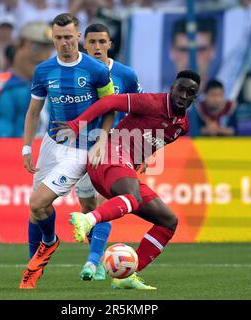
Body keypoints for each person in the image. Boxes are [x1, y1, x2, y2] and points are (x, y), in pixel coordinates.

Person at [52, 70, 201, 289]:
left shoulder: (182, 126)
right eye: (181, 89)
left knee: (168, 221)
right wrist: (77, 124)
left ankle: (127, 276)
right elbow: (111, 101)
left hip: (124, 167)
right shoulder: (152, 102)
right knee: (132, 196)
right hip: (107, 156)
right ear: (172, 88)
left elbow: (147, 140)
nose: (184, 95)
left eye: (191, 92)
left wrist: (140, 160)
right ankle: (88, 220)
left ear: (195, 97)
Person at [18, 13, 115, 289]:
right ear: (53, 38)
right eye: (59, 38)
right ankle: (35, 263)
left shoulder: (96, 70)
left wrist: (102, 139)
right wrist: (27, 147)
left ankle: (74, 253)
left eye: (69, 37)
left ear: (78, 37)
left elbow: (111, 107)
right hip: (51, 145)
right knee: (36, 210)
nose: (64, 43)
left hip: (83, 149)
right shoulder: (44, 71)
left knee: (44, 203)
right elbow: (33, 112)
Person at [75, 23, 143, 281]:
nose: (97, 47)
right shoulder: (79, 73)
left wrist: (143, 150)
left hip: (116, 146)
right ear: (85, 45)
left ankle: (93, 263)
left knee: (104, 204)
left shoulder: (125, 75)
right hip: (81, 146)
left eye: (102, 42)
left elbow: (140, 109)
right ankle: (99, 253)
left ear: (110, 45)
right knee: (87, 208)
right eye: (92, 42)